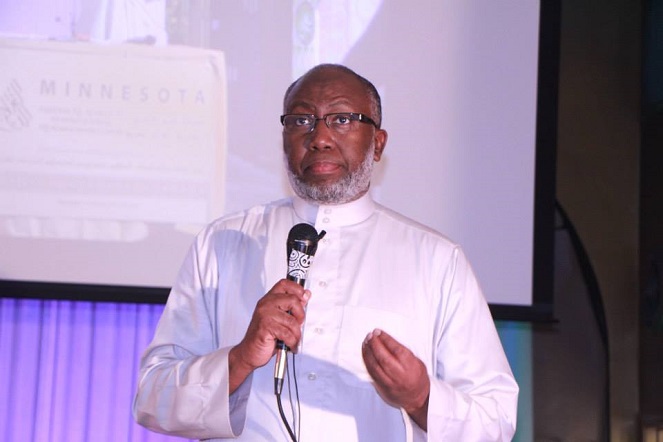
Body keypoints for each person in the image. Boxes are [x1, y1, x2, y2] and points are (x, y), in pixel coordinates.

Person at [133, 64, 519, 441]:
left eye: (342, 119)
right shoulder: (223, 242)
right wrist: (241, 358)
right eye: (301, 120)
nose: (319, 137)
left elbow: (496, 421)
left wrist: (421, 398)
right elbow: (152, 398)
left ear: (378, 143)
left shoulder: (436, 259)